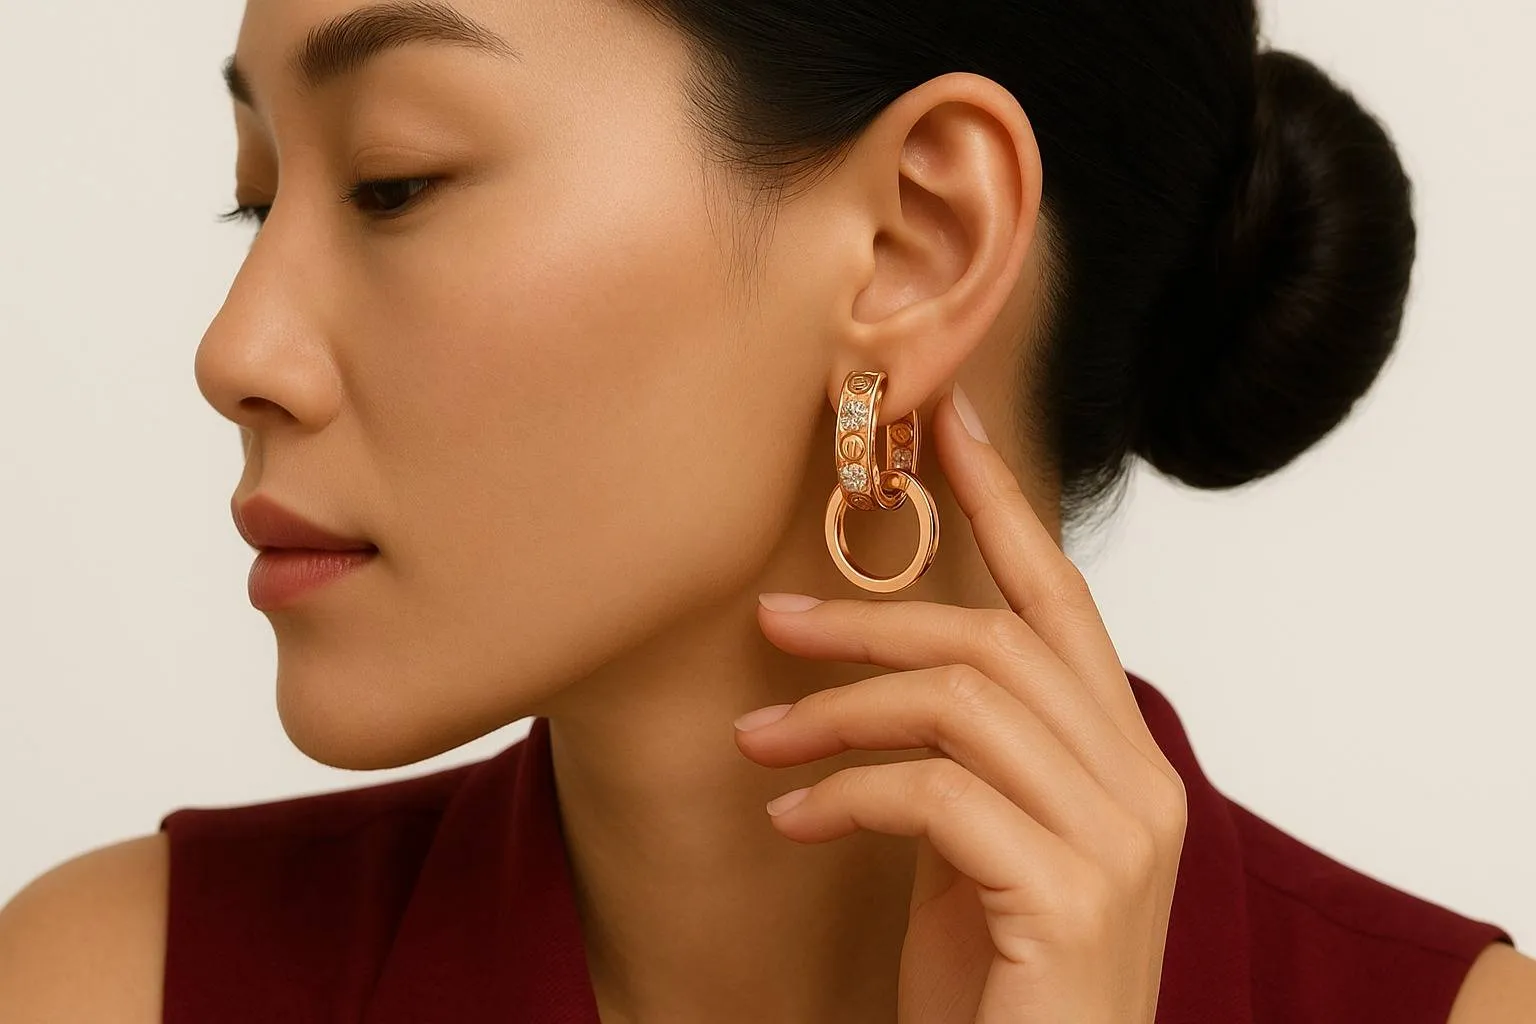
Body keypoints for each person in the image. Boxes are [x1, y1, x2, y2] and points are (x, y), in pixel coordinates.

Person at [1, 0, 1532, 1020]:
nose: (236, 353)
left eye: (396, 180)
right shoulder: (106, 988)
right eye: (258, 195)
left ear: (911, 245)